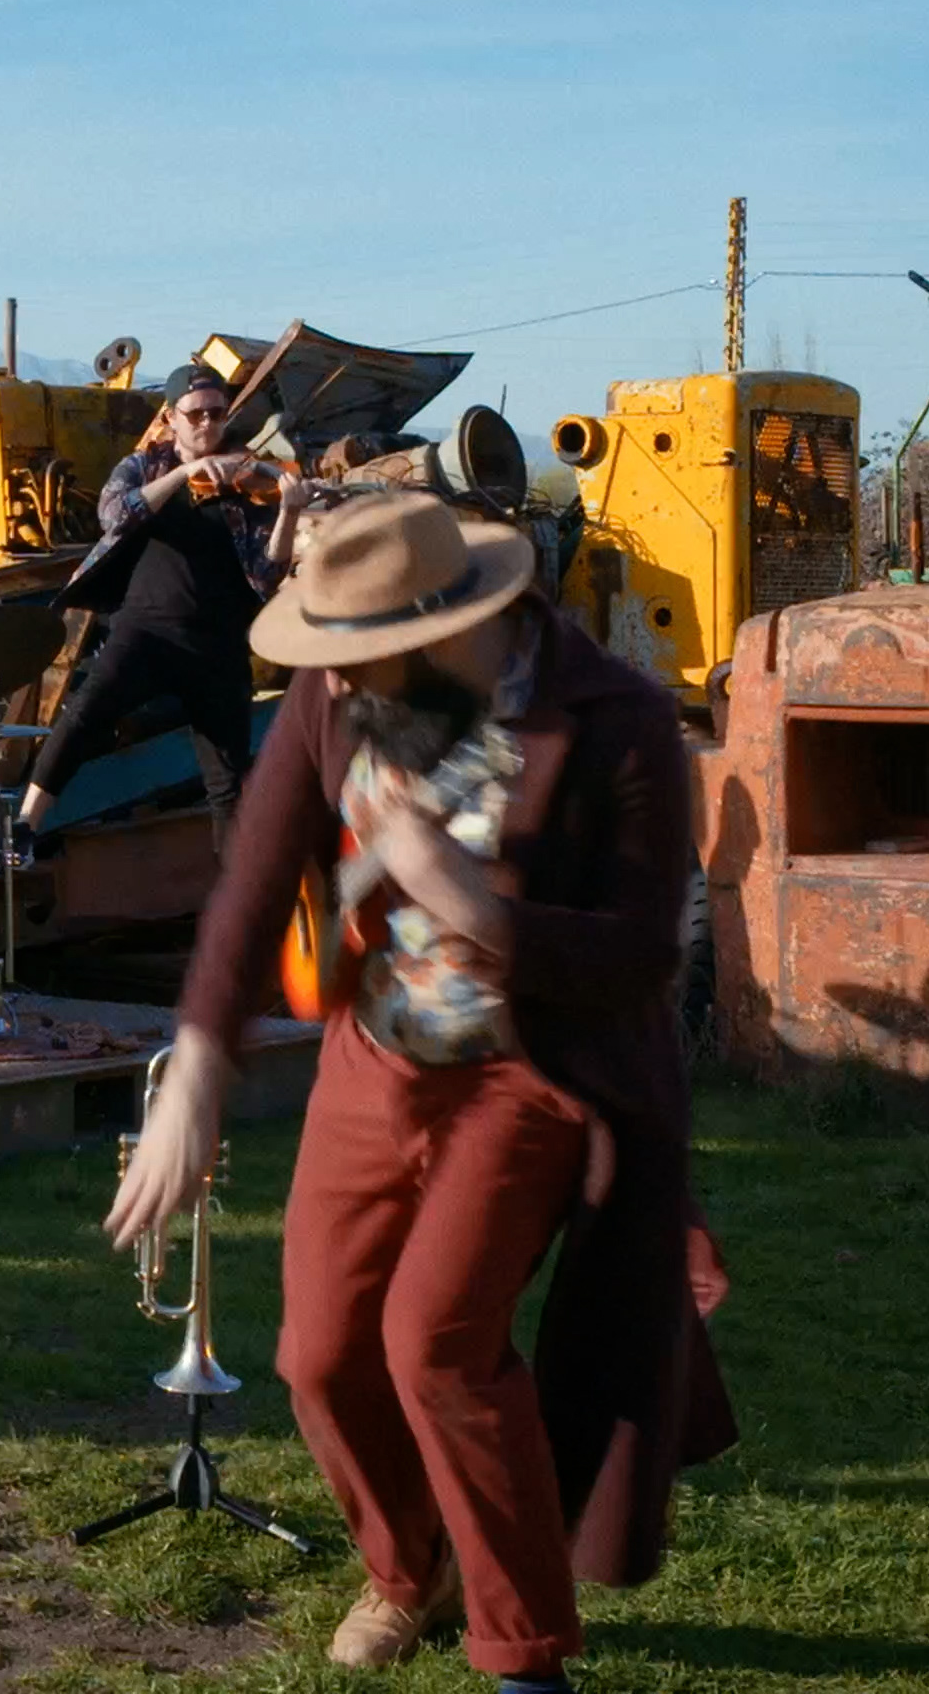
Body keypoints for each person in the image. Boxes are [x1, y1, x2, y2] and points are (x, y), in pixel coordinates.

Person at [104, 492, 734, 1688]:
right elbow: (255, 883)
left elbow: (643, 957)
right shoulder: (336, 689)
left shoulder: (620, 722)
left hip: (529, 1074)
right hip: (375, 1060)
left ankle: (522, 1653)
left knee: (435, 1347)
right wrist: (196, 1071)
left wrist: (472, 902)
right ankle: (411, 1571)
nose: (334, 682)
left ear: (450, 627)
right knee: (320, 1360)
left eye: (361, 656)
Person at [17, 365, 303, 836]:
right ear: (171, 418)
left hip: (218, 645)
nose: (208, 424)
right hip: (146, 632)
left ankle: (234, 879)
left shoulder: (247, 478)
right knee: (83, 716)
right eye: (196, 415)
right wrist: (183, 474)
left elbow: (267, 575)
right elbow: (113, 514)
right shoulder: (144, 466)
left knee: (228, 783)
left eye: (218, 414)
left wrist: (289, 511)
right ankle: (24, 828)